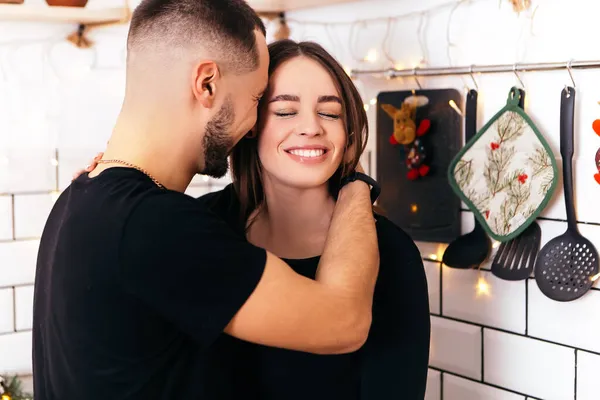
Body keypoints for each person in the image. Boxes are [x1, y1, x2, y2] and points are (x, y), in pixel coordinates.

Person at [32, 1, 381, 399]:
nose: (252, 126)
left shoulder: (79, 199)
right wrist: (356, 183)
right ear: (207, 84)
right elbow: (344, 321)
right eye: (257, 99)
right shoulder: (157, 225)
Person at [80, 40, 431, 399]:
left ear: (349, 132)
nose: (311, 127)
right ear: (250, 124)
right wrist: (110, 176)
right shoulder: (201, 226)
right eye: (284, 112)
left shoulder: (389, 252)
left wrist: (356, 184)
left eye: (330, 113)